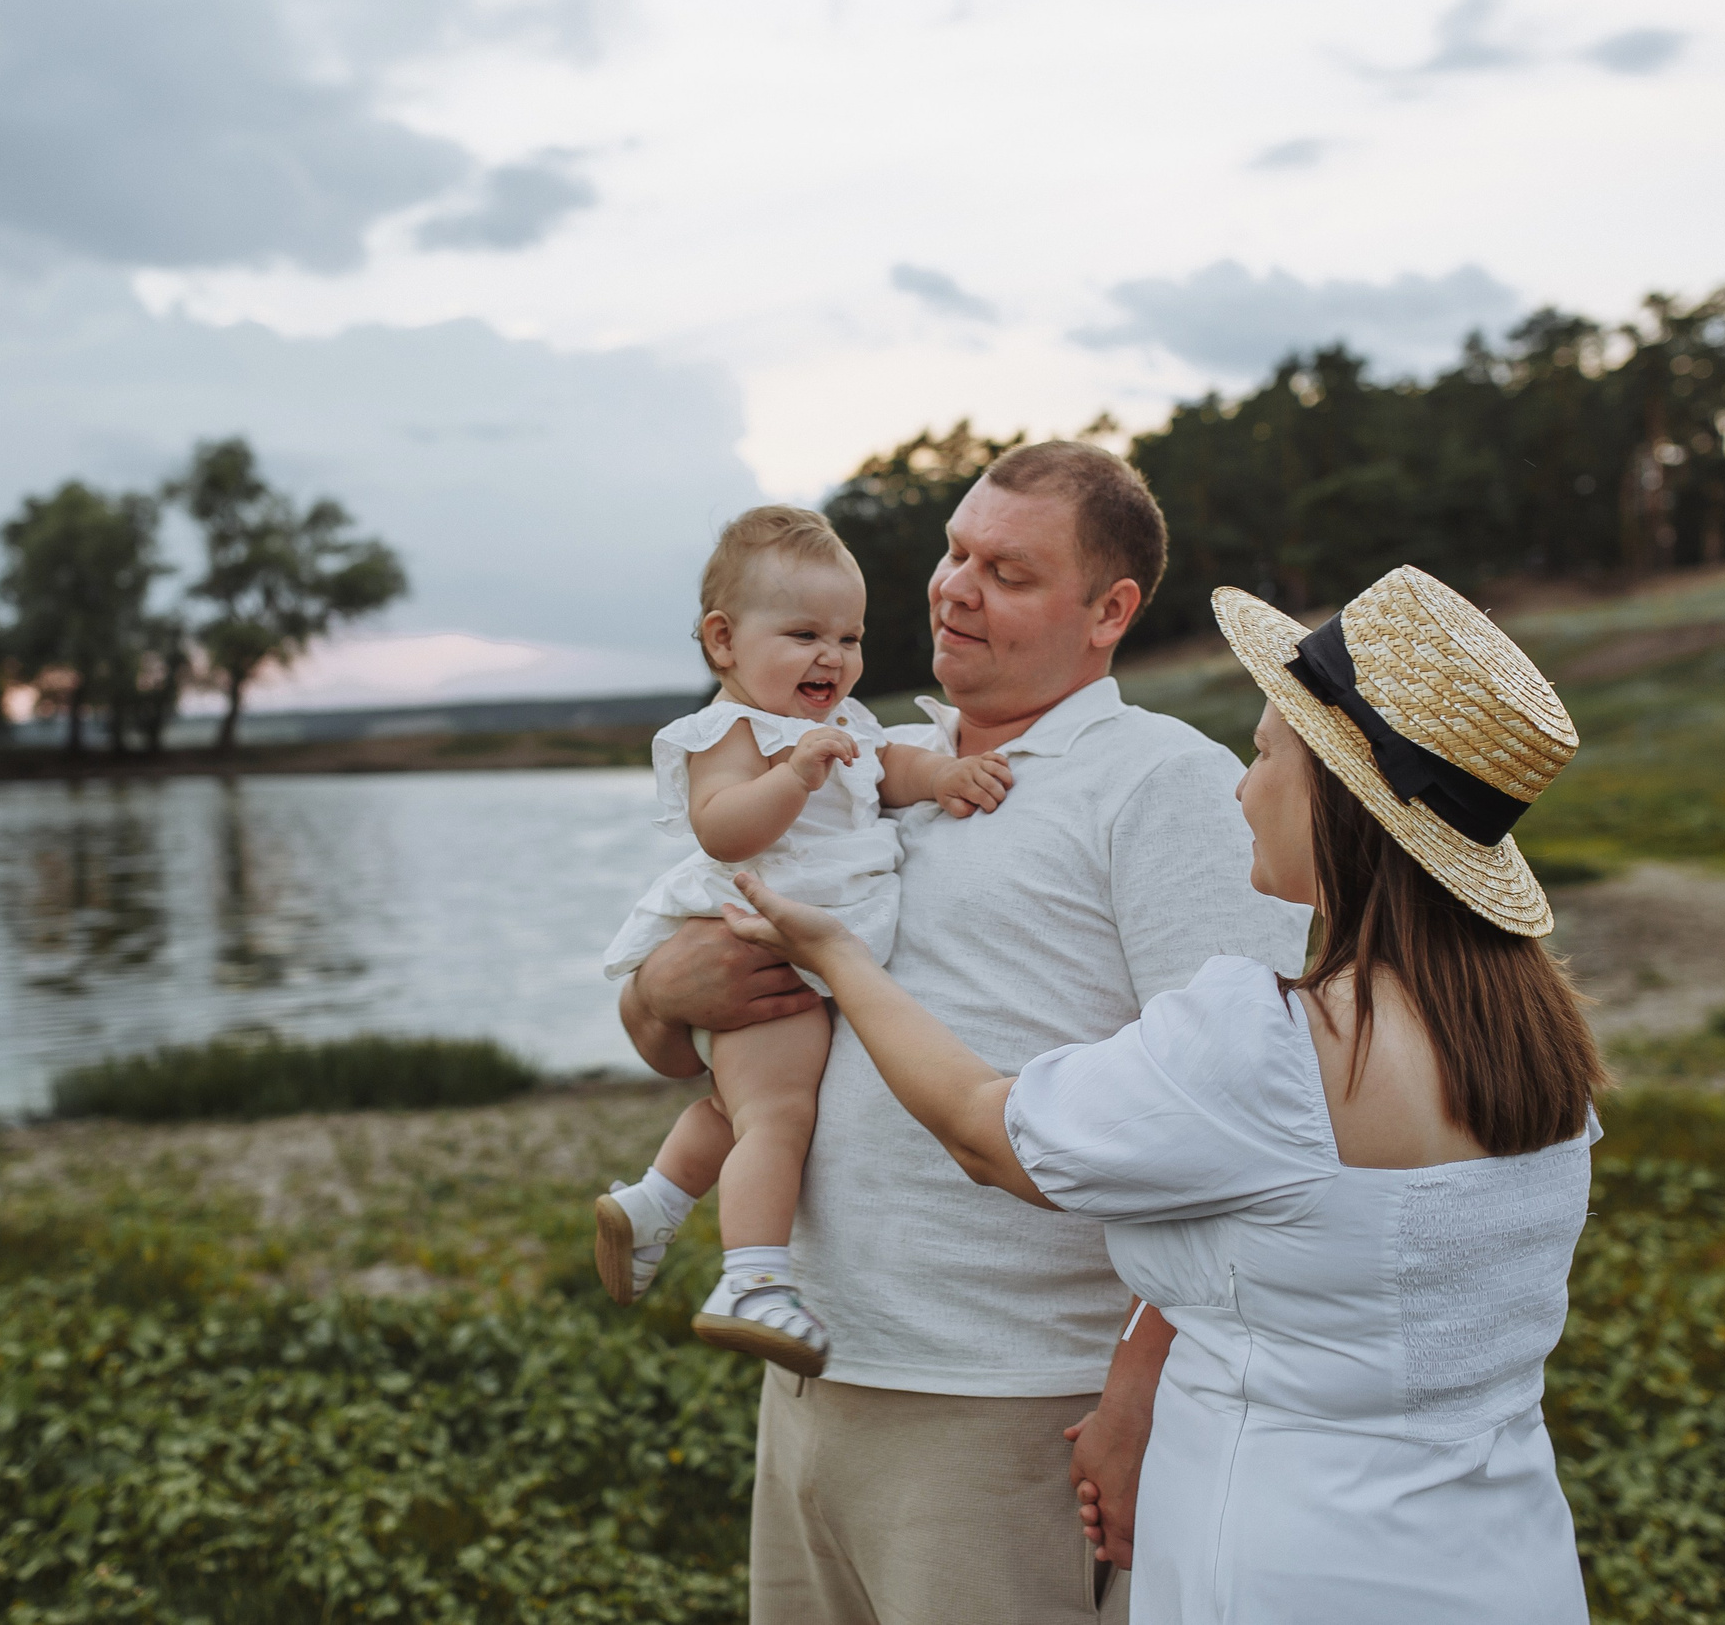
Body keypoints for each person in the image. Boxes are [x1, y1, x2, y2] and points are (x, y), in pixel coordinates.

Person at [722, 562, 1611, 1622]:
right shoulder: (1539, 1046)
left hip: (1286, 1562)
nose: (1243, 786)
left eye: (1265, 754)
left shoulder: (1272, 1048)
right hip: (1496, 1556)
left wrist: (841, 959)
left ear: (1336, 801)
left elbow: (983, 1131)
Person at [619, 443, 1314, 1623]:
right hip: (811, 1376)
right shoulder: (857, 763)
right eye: (952, 551)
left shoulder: (1159, 784)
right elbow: (688, 1044)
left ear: (1109, 611)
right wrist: (658, 995)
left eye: (1006, 569)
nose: (952, 587)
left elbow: (1250, 1121)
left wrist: (1140, 1391)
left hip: (1017, 1404)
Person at [596, 505, 1016, 1375]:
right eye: (803, 633)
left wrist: (941, 773)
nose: (832, 656)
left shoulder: (849, 724)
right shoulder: (730, 731)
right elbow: (722, 829)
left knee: (739, 1110)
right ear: (723, 641)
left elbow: (889, 770)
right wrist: (792, 774)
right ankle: (751, 1279)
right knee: (779, 1115)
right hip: (759, 943)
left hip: (802, 950)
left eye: (849, 636)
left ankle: (652, 1204)